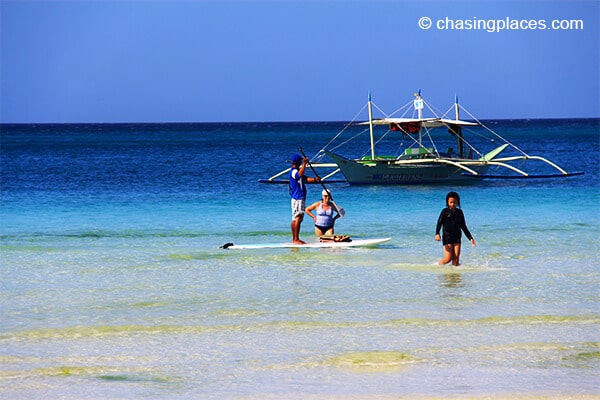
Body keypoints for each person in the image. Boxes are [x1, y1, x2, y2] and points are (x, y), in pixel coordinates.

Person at [435, 191, 476, 266]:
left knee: (456, 260)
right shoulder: (445, 211)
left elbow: (463, 226)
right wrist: (437, 233)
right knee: (448, 258)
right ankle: (437, 265)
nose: (453, 204)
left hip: (457, 237)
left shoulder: (460, 212)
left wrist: (470, 238)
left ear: (457, 202)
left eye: (455, 202)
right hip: (447, 237)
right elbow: (439, 223)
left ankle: (454, 276)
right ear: (447, 202)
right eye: (451, 202)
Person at [289, 154, 320, 244]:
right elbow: (300, 175)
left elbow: (305, 178)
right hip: (298, 197)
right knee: (298, 217)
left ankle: (294, 239)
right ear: (298, 162)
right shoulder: (294, 172)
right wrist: (305, 164)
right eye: (301, 162)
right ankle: (296, 239)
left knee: (296, 218)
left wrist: (315, 179)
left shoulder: (297, 171)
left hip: (297, 197)